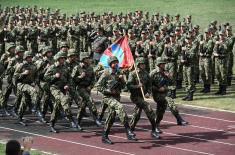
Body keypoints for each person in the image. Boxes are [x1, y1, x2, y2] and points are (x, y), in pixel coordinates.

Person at [96, 56, 136, 144]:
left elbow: (124, 87)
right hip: (108, 97)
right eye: (113, 62)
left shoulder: (119, 72)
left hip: (117, 97)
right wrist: (108, 91)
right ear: (110, 64)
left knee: (111, 117)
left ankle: (104, 136)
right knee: (120, 107)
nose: (115, 64)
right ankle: (128, 130)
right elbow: (98, 86)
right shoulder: (106, 73)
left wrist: (122, 80)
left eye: (116, 62)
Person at [150, 57, 188, 133]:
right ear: (158, 64)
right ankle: (179, 118)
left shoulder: (165, 72)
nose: (164, 65)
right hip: (157, 94)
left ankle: (156, 126)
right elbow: (148, 84)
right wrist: (158, 89)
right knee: (170, 100)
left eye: (164, 64)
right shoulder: (153, 73)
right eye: (162, 64)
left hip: (164, 93)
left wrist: (169, 77)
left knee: (160, 112)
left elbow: (172, 83)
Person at [127, 57, 160, 139]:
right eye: (141, 64)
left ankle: (130, 131)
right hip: (135, 96)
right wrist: (137, 86)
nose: (143, 65)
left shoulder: (146, 73)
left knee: (136, 115)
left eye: (144, 64)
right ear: (138, 65)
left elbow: (149, 84)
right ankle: (153, 130)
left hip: (142, 96)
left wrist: (148, 92)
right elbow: (128, 86)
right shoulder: (133, 74)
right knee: (149, 109)